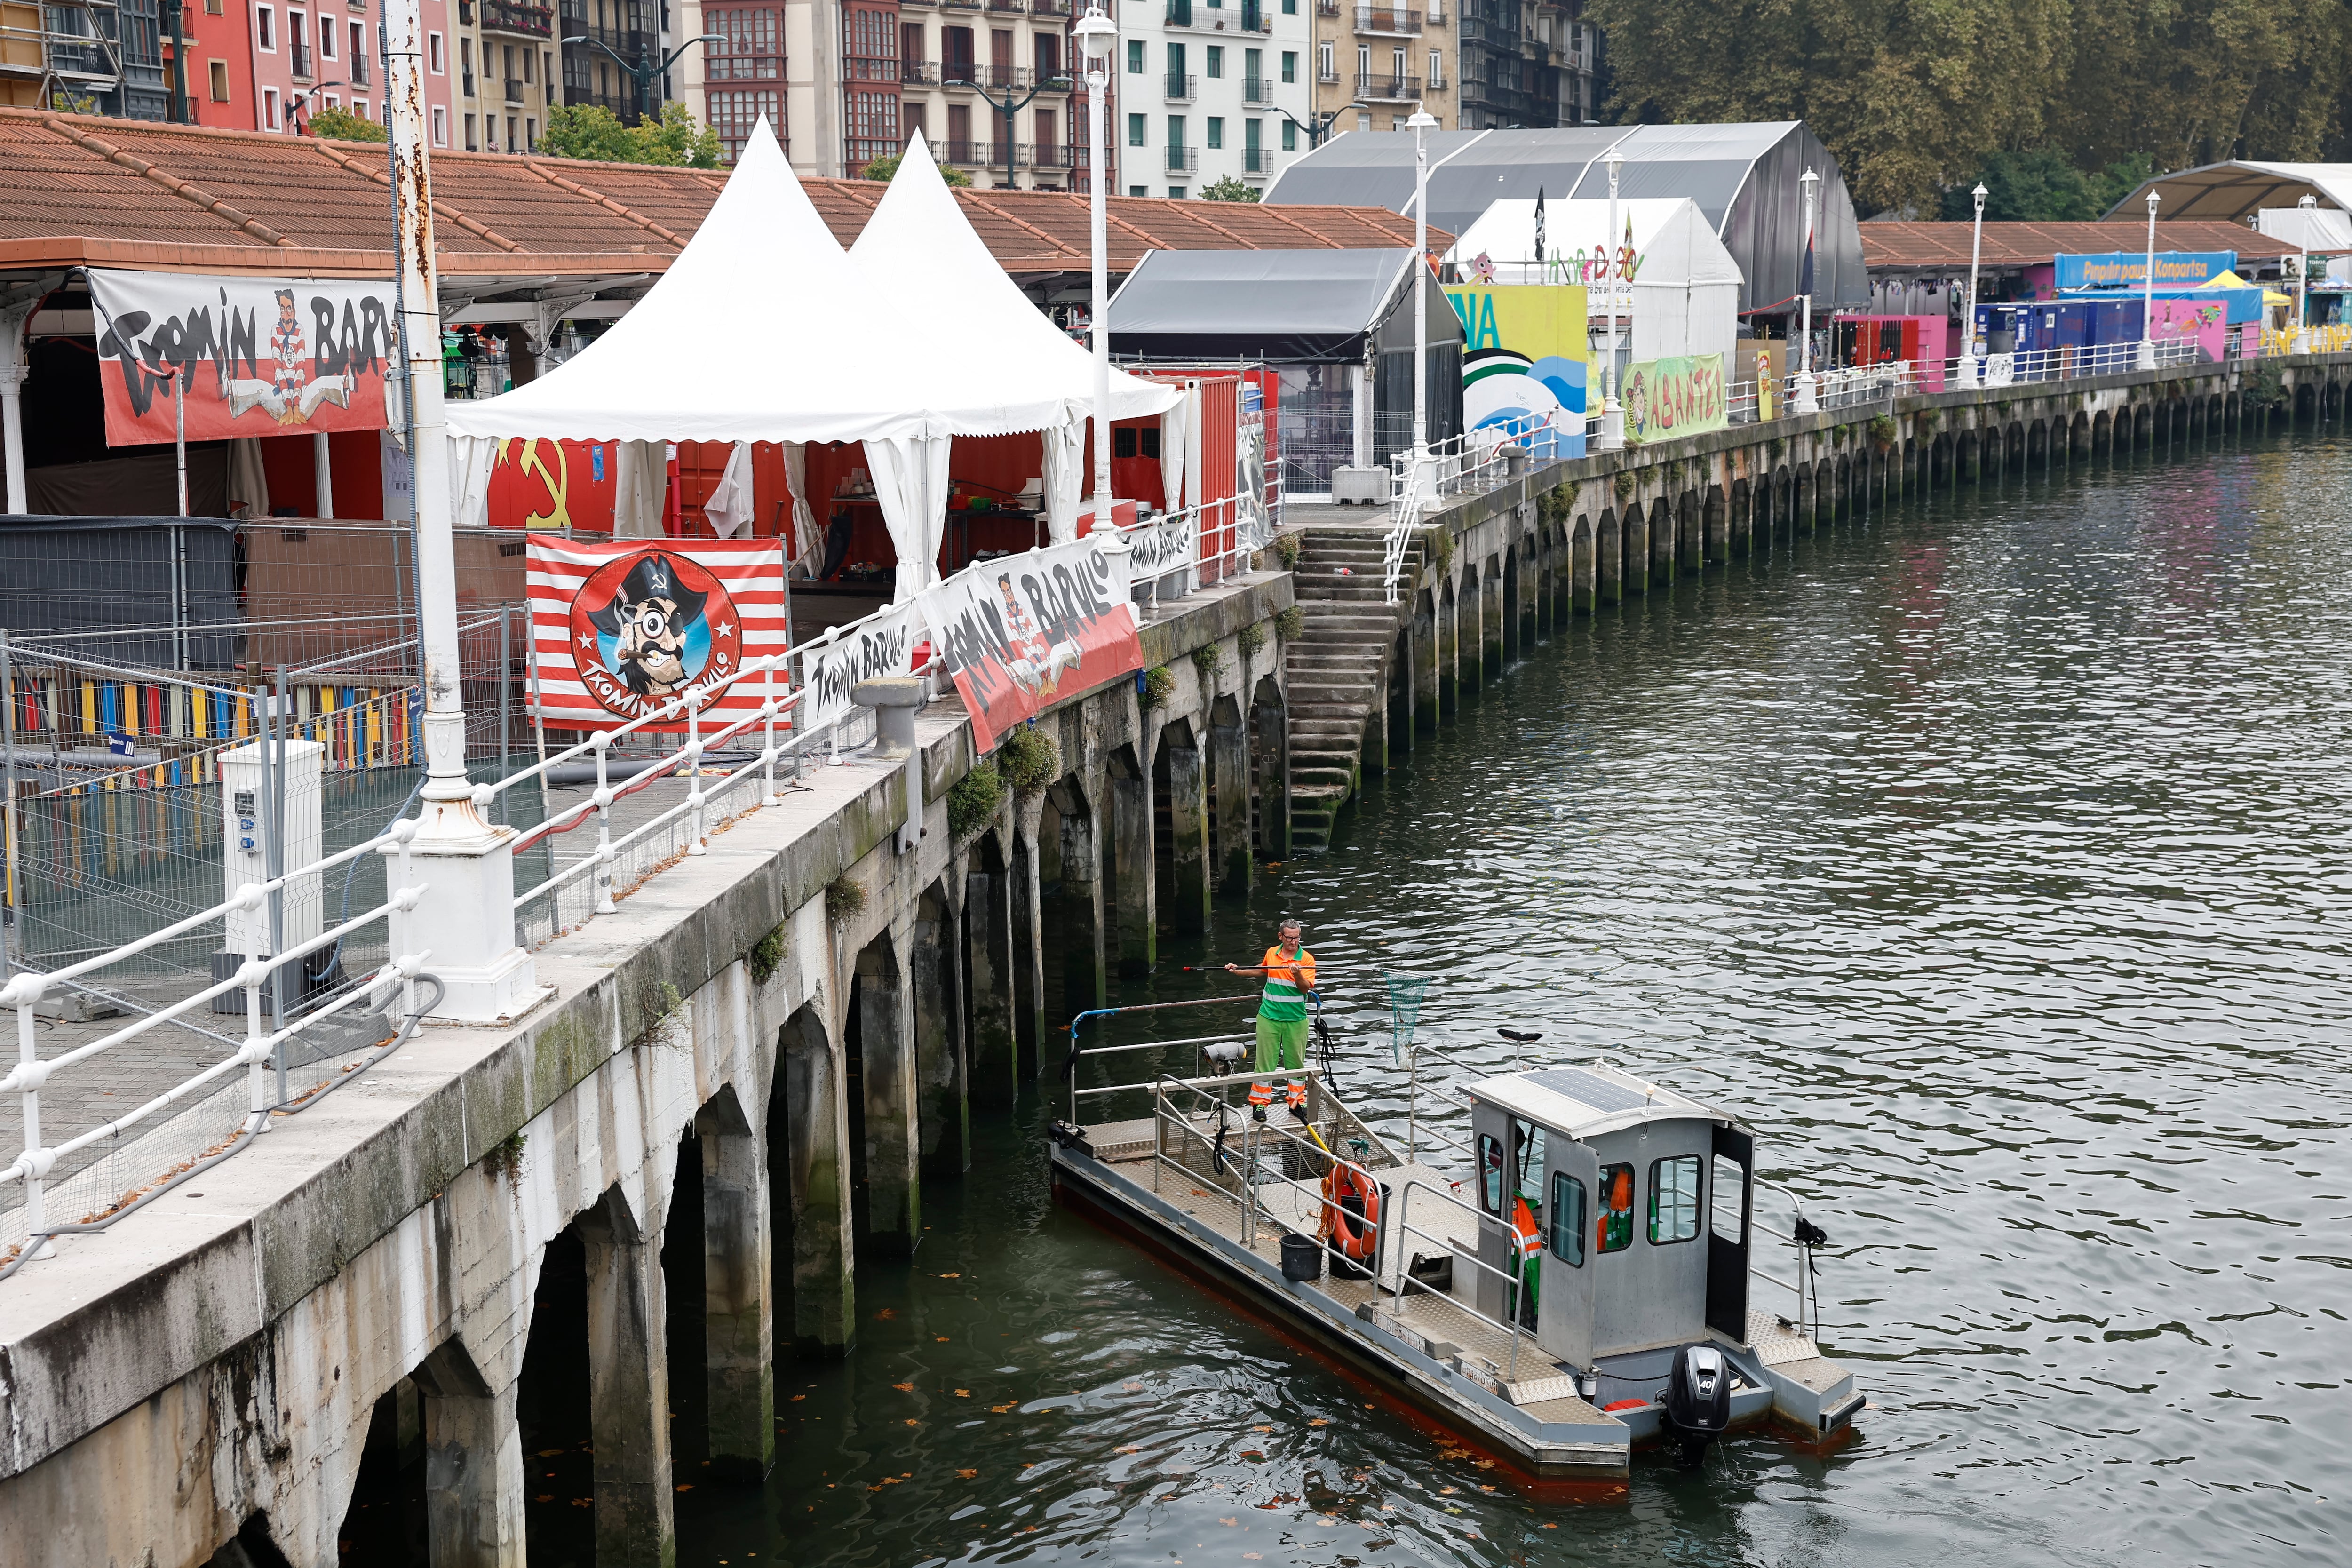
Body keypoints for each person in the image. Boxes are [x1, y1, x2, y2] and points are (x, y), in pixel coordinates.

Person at [1226, 918, 1315, 1121]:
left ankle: (1296, 1103)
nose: (1294, 942)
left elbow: (1305, 988)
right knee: (1265, 1064)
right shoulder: (1272, 953)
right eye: (1290, 938)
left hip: (1296, 1020)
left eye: (1297, 938)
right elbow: (1261, 970)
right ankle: (1259, 1105)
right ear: (1281, 937)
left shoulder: (1307, 960)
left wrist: (1298, 975)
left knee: (1296, 1065)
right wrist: (1238, 970)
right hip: (1269, 1018)